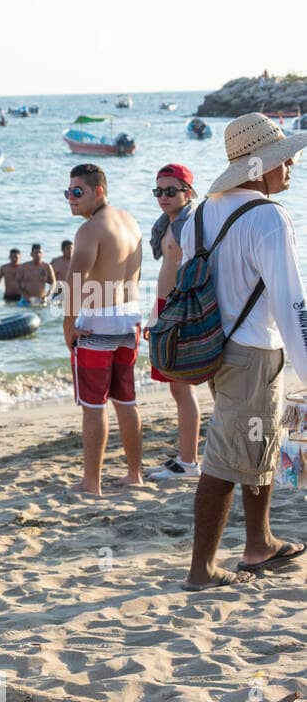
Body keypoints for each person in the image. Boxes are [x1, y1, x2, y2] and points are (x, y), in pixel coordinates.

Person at [182, 114, 307, 590]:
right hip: (254, 352)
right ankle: (201, 570)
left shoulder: (202, 213)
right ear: (259, 166)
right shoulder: (269, 217)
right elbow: (291, 300)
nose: (292, 163)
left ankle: (260, 542)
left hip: (215, 348)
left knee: (257, 443)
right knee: (223, 460)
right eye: (283, 158)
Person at [63, 164, 145, 495]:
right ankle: (134, 474)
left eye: (77, 191)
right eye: (67, 192)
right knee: (126, 401)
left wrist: (68, 325)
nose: (71, 198)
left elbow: (74, 282)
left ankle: (92, 483)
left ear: (98, 191)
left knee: (94, 406)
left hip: (98, 323)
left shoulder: (91, 229)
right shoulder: (130, 221)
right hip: (130, 319)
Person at [142, 164, 201, 481]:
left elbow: (195, 274)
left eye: (170, 191)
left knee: (183, 388)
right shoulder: (167, 223)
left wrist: (178, 314)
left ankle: (189, 462)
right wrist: (155, 313)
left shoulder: (191, 225)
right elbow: (165, 272)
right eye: (158, 191)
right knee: (175, 389)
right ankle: (184, 457)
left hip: (181, 310)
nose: (163, 197)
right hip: (164, 307)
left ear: (187, 192)